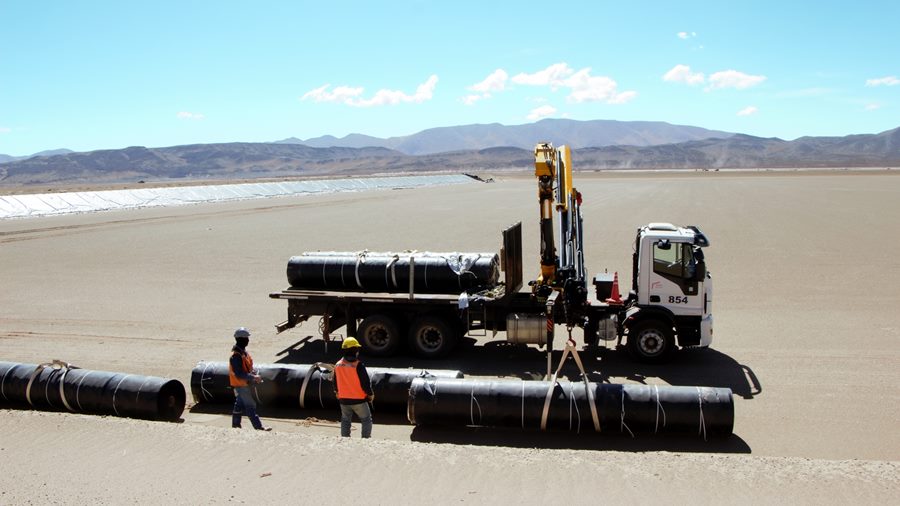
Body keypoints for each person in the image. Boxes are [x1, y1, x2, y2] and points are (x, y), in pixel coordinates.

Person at [229, 327, 271, 431]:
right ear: (241, 339)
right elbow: (239, 373)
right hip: (241, 385)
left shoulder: (243, 353)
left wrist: (253, 373)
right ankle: (258, 427)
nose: (248, 340)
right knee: (250, 405)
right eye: (246, 338)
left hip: (243, 384)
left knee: (239, 405)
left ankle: (235, 426)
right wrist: (253, 377)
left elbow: (247, 368)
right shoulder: (236, 356)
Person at [333, 337, 374, 438]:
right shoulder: (358, 365)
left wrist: (337, 392)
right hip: (359, 400)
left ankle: (345, 439)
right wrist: (370, 394)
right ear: (356, 350)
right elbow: (365, 383)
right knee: (366, 419)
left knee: (345, 420)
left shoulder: (337, 365)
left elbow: (335, 381)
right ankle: (365, 439)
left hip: (343, 399)